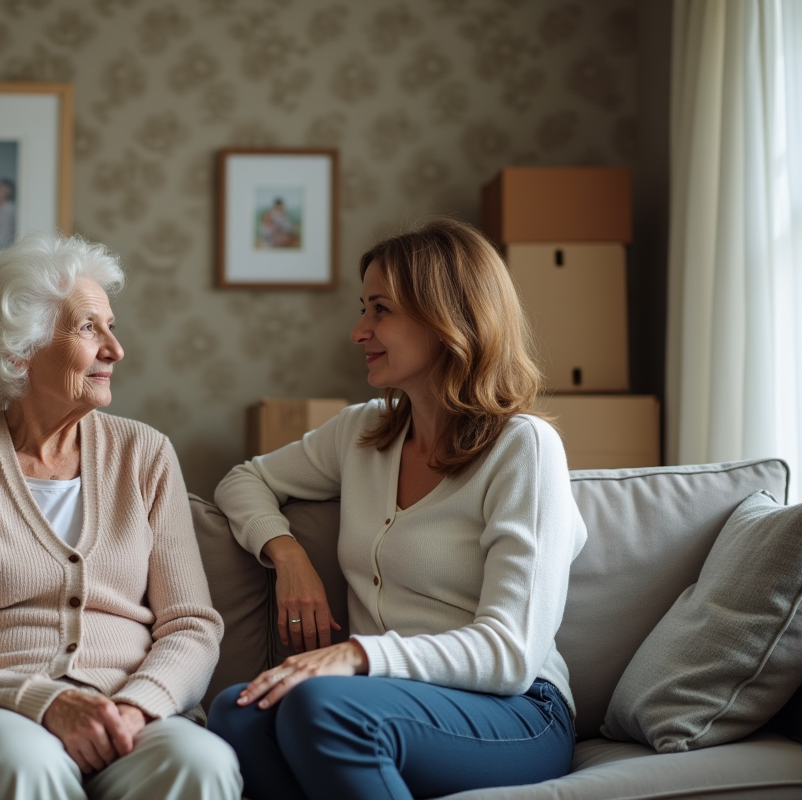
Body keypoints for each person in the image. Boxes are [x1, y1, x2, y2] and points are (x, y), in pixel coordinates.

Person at [207, 218, 587, 800]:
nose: (359, 331)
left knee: (322, 707)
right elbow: (245, 480)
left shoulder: (524, 448)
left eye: (380, 310)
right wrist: (286, 555)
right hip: (379, 701)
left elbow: (510, 652)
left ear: (447, 319)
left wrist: (357, 655)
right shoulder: (362, 434)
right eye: (364, 308)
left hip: (515, 712)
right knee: (239, 710)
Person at [0, 231, 241, 800]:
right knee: (22, 766)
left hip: (132, 714)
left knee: (203, 762)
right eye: (89, 328)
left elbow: (190, 624)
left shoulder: (145, 455)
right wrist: (45, 702)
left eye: (110, 326)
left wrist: (137, 705)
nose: (115, 350)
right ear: (19, 348)